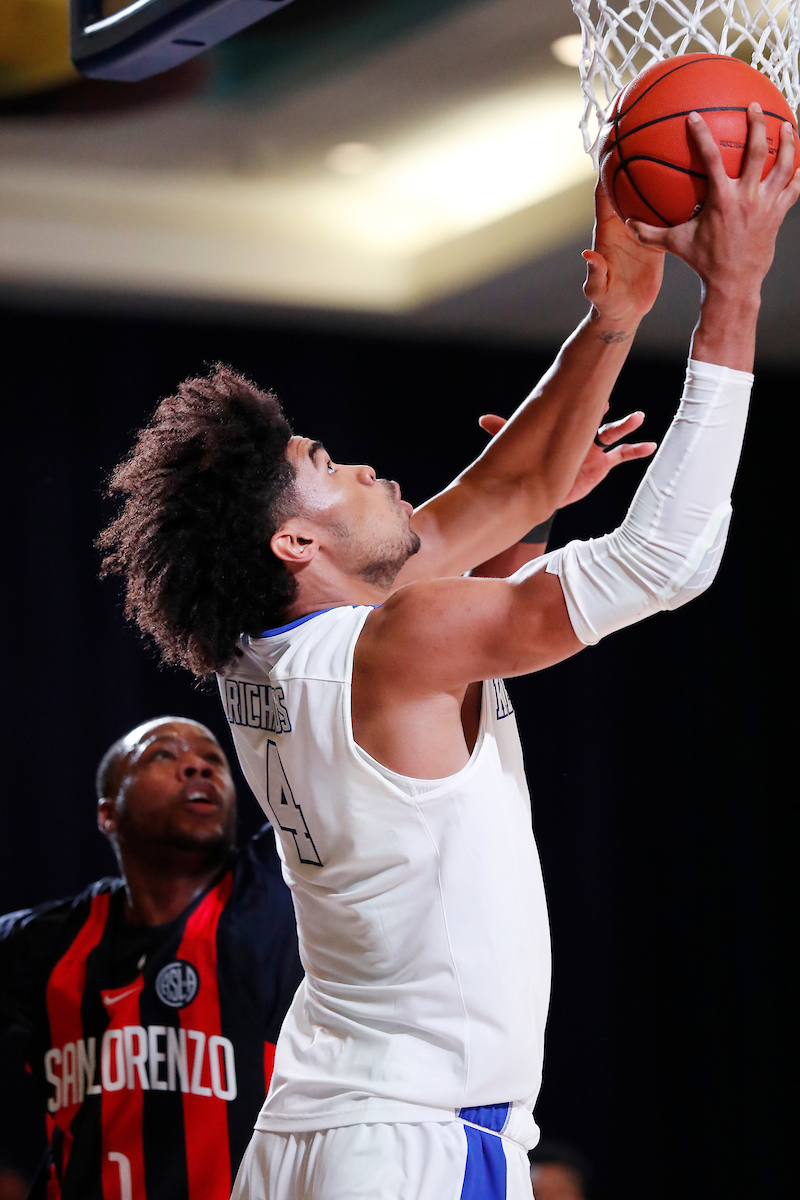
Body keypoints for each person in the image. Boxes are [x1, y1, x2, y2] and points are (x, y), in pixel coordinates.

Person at [97, 107, 799, 1200]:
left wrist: (611, 316)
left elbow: (502, 493)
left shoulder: (257, 653)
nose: (369, 469)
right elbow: (664, 562)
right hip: (411, 1142)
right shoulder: (403, 635)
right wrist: (737, 293)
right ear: (295, 542)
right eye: (326, 465)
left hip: (323, 1132)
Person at [0, 717, 303, 1200]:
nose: (197, 767)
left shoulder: (271, 891)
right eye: (163, 754)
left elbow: (329, 774)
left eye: (212, 760)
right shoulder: (43, 945)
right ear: (108, 814)